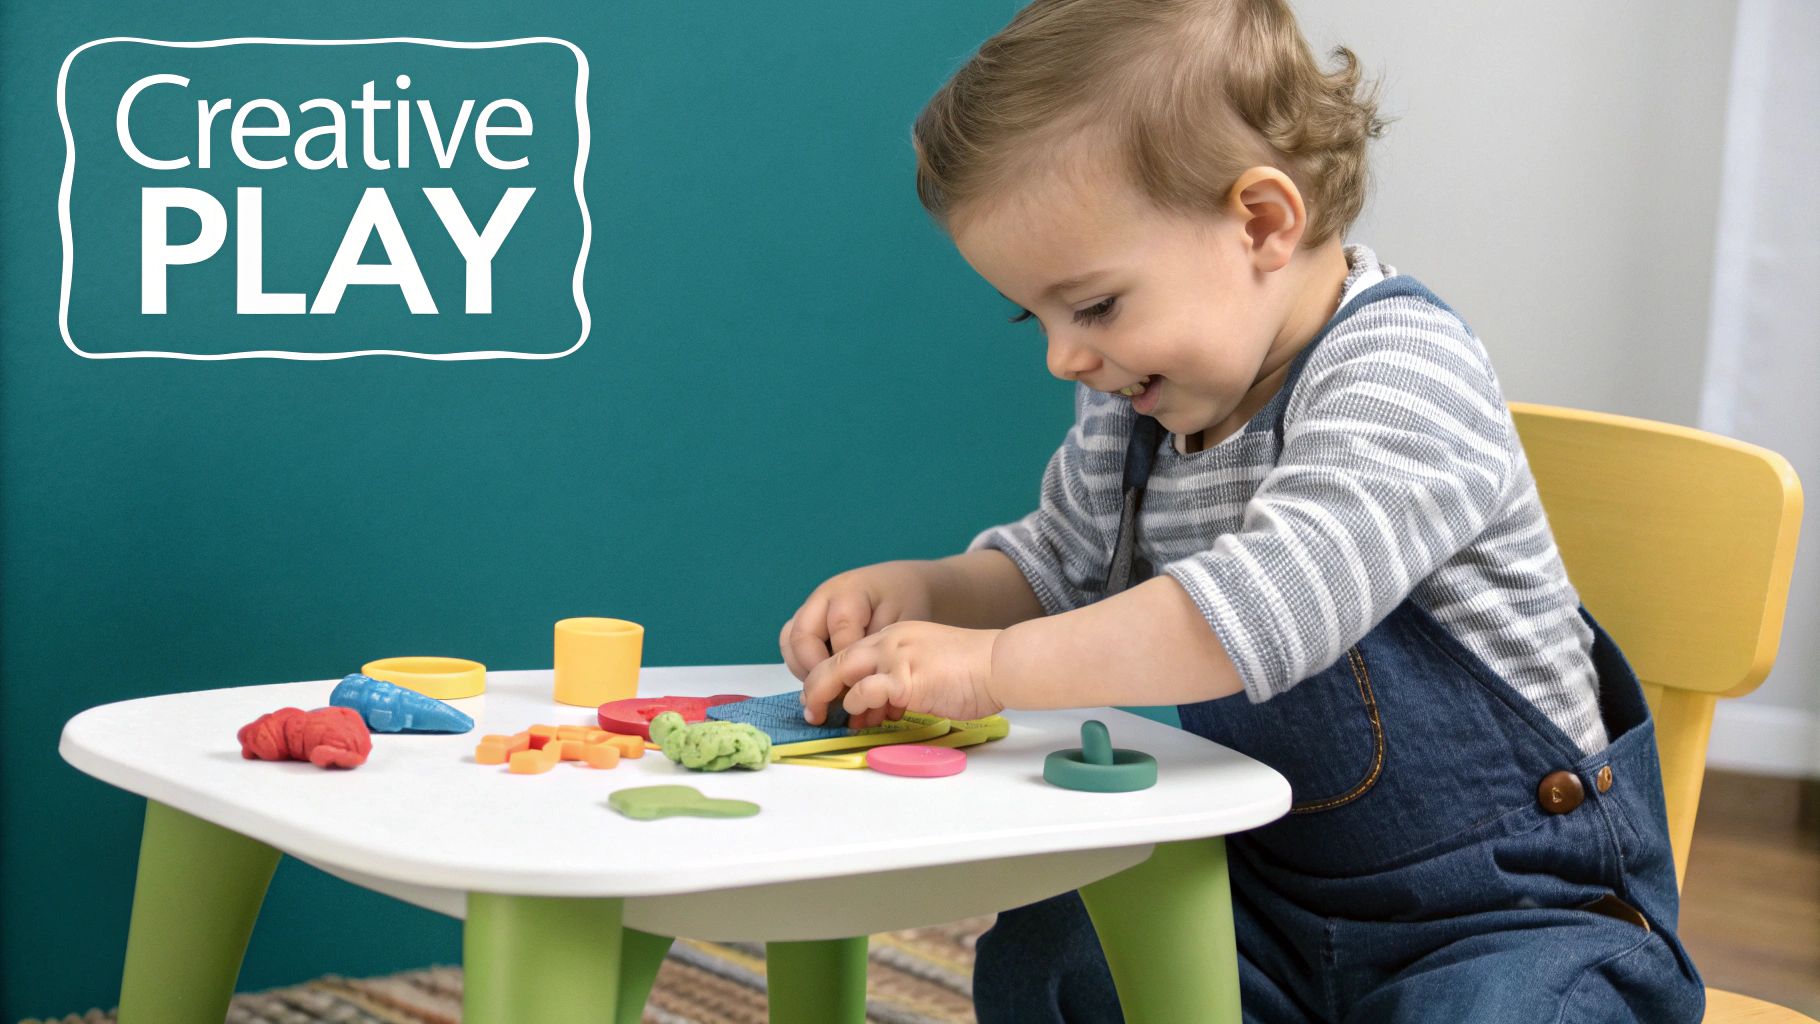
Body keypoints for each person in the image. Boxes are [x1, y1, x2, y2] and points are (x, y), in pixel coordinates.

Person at [778, 0, 1704, 1019]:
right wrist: (924, 594)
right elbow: (1055, 569)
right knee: (1065, 952)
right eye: (1032, 316)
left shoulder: (1401, 373)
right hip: (1272, 893)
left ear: (1261, 223)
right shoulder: (1135, 409)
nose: (1063, 356)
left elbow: (1263, 608)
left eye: (1094, 306)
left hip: (1511, 911)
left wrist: (989, 670)